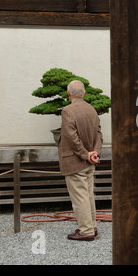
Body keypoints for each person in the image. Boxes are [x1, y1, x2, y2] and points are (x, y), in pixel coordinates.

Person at [58, 80, 103, 241]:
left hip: (75, 161)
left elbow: (71, 137)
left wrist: (84, 154)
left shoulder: (67, 111)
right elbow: (98, 133)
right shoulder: (92, 109)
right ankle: (92, 226)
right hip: (90, 160)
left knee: (80, 198)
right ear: (84, 93)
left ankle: (86, 231)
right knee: (88, 195)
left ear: (68, 94)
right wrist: (94, 153)